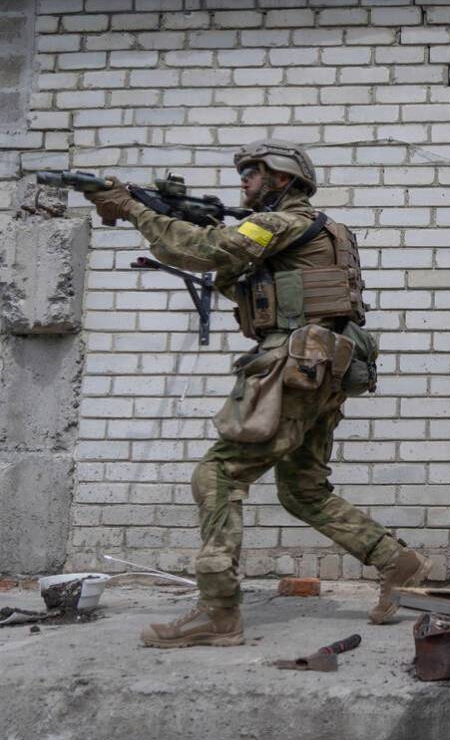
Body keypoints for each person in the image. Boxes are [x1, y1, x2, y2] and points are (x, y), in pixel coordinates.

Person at [85, 139, 429, 648]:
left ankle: (218, 612)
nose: (243, 181)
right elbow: (236, 276)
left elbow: (203, 252)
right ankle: (397, 562)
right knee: (303, 490)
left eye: (253, 173)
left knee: (218, 473)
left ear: (283, 180)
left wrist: (134, 208)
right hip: (321, 370)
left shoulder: (282, 223)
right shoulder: (317, 231)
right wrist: (171, 216)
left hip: (293, 368)